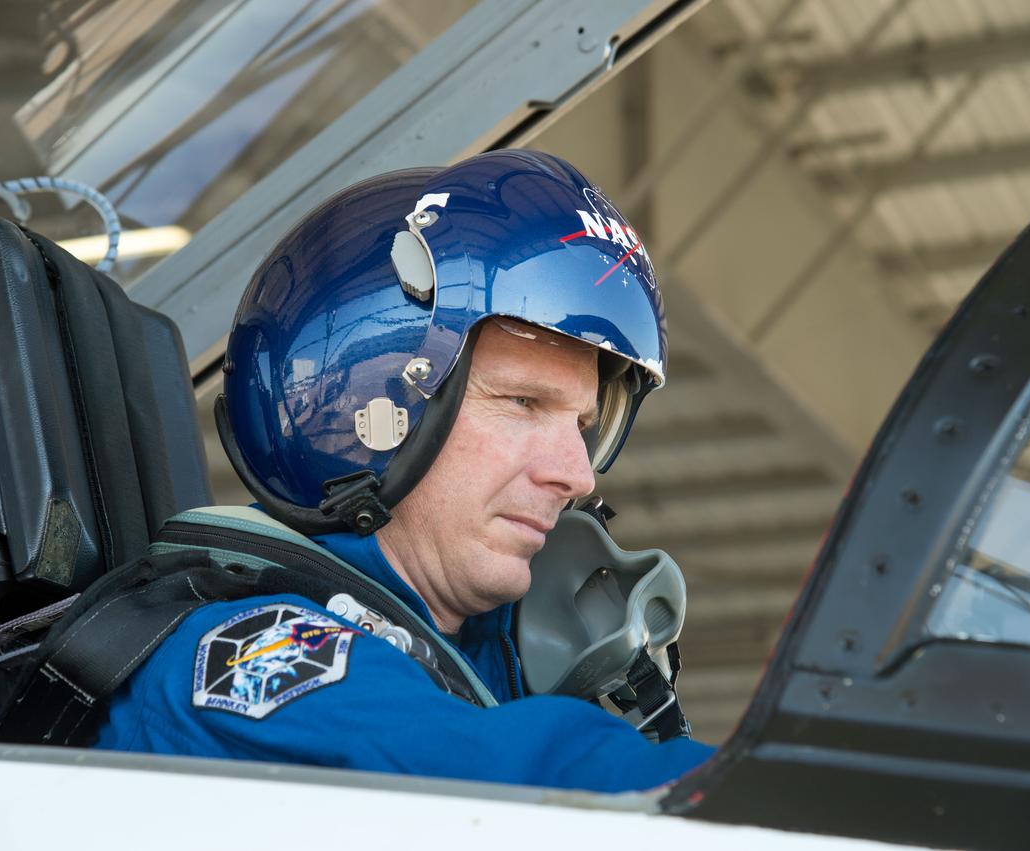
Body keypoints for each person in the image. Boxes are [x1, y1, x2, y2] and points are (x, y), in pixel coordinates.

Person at [93, 149, 713, 792]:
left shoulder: (469, 662)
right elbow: (494, 777)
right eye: (523, 403)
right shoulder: (241, 660)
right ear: (371, 411)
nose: (578, 477)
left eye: (582, 427)